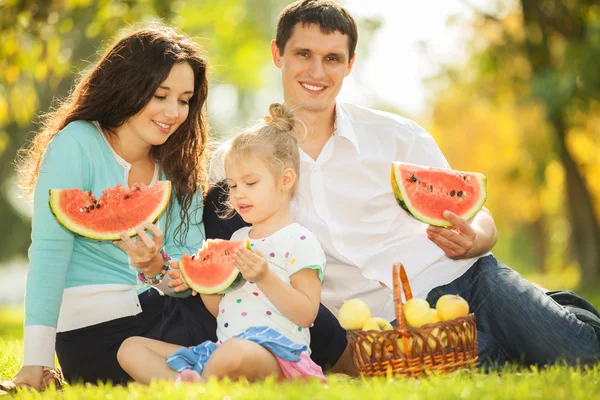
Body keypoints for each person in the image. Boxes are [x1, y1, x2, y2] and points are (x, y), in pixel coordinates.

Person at [206, 0, 600, 368]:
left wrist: (477, 238)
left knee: (583, 355)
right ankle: (534, 316)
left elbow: (475, 213)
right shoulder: (237, 162)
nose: (317, 72)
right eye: (303, 54)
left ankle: (556, 311)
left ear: (350, 64)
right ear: (278, 54)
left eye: (332, 59)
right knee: (491, 359)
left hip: (463, 276)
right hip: (382, 327)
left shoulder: (395, 135)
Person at [11, 25, 217, 388]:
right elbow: (49, 254)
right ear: (128, 86)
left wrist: (156, 267)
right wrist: (36, 362)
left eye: (184, 100)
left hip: (164, 315)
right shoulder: (78, 143)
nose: (173, 112)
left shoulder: (178, 166)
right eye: (160, 95)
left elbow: (186, 280)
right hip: (95, 331)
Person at [117, 103, 328, 384]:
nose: (239, 194)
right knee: (130, 348)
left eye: (250, 183)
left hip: (278, 355)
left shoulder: (300, 240)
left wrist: (264, 277)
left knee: (236, 353)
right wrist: (201, 283)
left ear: (285, 180)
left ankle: (194, 385)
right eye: (233, 185)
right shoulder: (237, 239)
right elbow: (222, 310)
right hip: (223, 349)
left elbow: (306, 314)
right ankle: (193, 388)